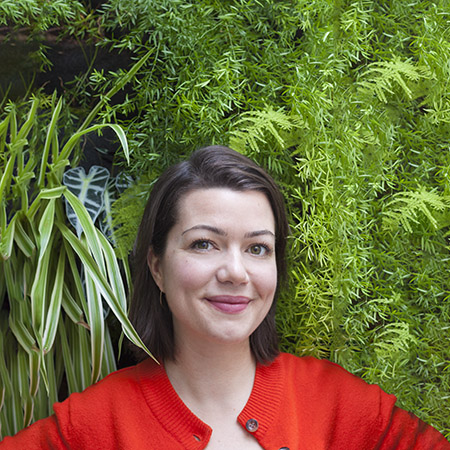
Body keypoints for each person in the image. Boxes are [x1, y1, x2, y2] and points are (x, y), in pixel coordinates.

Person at [1, 145, 449, 449]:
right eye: (203, 244)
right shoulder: (99, 423)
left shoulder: (335, 404)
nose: (236, 272)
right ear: (156, 266)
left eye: (258, 248)